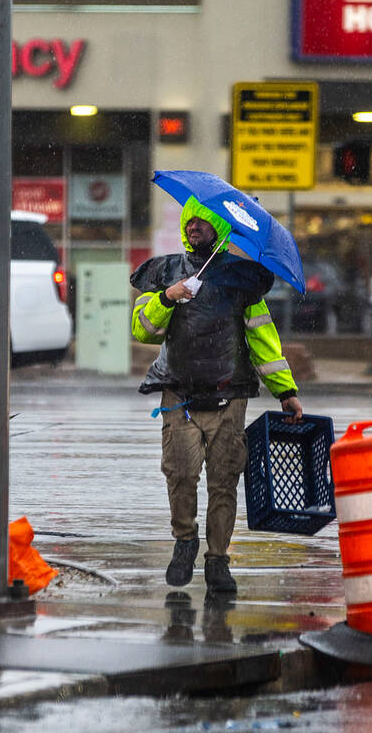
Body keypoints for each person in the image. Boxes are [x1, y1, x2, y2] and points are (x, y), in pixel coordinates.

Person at [131, 200, 304, 594]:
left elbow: (263, 339)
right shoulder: (166, 272)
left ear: (219, 231)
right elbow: (141, 330)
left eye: (203, 222)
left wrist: (286, 391)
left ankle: (218, 560)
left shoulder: (241, 280)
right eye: (189, 221)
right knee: (180, 475)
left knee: (224, 482)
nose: (194, 227)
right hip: (180, 397)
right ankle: (184, 540)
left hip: (230, 398)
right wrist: (168, 298)